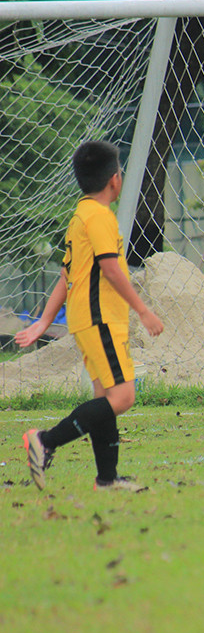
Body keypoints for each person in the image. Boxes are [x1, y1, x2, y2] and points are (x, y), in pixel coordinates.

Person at [17, 140, 165, 492]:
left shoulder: (80, 215)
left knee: (105, 397)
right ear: (115, 179)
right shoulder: (99, 217)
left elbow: (67, 277)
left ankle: (107, 479)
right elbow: (110, 268)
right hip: (100, 319)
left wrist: (42, 321)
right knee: (123, 398)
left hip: (86, 318)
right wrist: (143, 310)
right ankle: (46, 440)